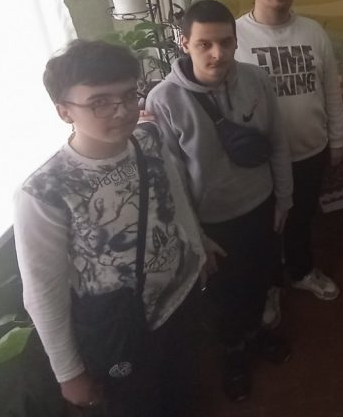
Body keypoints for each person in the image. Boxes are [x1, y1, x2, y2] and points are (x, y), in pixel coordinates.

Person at [15, 40, 210, 415]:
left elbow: (174, 196)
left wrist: (198, 248)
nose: (121, 111)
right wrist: (69, 374)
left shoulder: (147, 139)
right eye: (99, 102)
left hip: (180, 300)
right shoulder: (45, 191)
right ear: (64, 111)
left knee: (187, 391)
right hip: (122, 326)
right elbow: (43, 290)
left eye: (128, 95)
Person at [146, 0, 293, 403]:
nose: (218, 54)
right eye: (204, 44)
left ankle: (256, 334)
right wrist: (196, 238)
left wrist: (284, 198)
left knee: (260, 280)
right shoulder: (164, 99)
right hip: (212, 223)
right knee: (225, 297)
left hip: (261, 205)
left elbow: (278, 141)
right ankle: (233, 354)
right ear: (184, 43)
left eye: (226, 43)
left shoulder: (255, 79)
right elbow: (173, 181)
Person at [235, 0, 343, 330]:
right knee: (265, 228)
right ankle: (271, 286)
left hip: (309, 149)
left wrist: (337, 139)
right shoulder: (234, 36)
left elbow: (331, 91)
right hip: (260, 160)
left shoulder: (313, 32)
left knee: (301, 220)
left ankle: (301, 272)